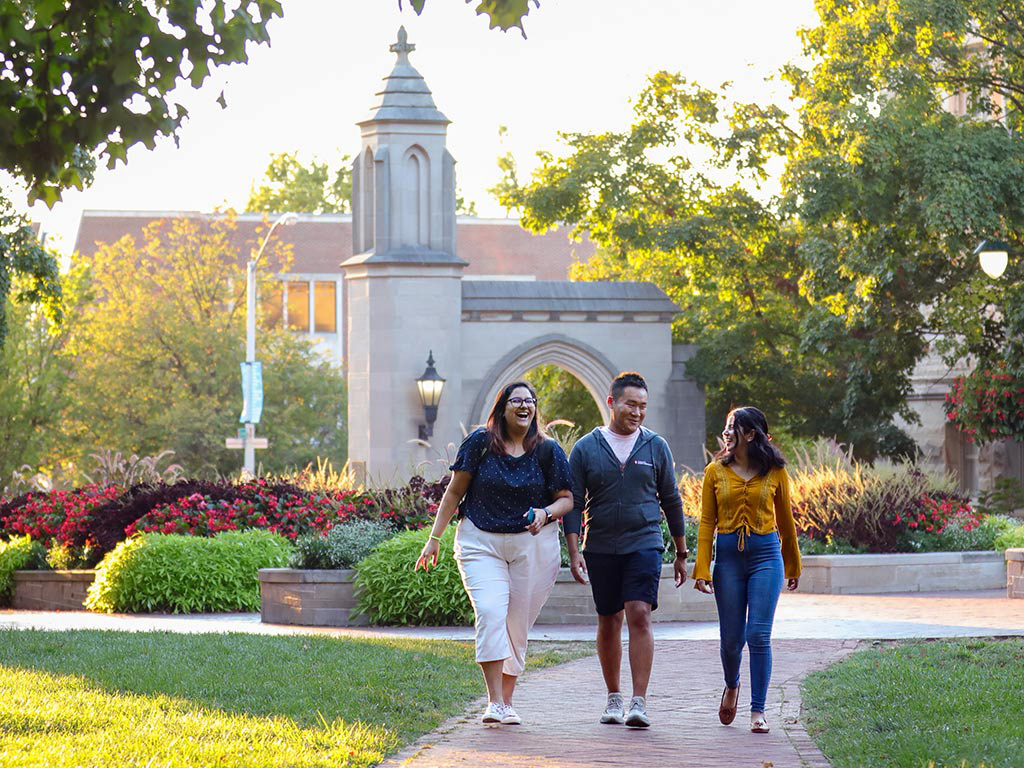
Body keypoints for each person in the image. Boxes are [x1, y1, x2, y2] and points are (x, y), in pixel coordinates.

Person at [415, 381, 573, 725]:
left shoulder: (548, 450)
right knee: (489, 611)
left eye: (530, 401)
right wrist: (435, 537)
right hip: (480, 541)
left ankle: (509, 700)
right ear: (502, 407)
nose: (524, 406)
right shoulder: (480, 443)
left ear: (535, 409)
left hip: (532, 545)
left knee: (517, 626)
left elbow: (566, 499)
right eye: (516, 400)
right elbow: (455, 492)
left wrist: (546, 513)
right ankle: (494, 702)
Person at [565, 371, 688, 729]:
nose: (637, 412)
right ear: (612, 403)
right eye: (630, 404)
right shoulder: (586, 448)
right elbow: (573, 504)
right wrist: (574, 553)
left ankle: (639, 701)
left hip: (644, 541)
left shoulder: (656, 446)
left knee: (639, 613)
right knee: (609, 619)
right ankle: (613, 697)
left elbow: (671, 500)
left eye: (642, 406)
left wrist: (681, 554)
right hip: (601, 545)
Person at [693, 406, 801, 734]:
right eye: (726, 427)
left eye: (732, 427)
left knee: (757, 634)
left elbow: (786, 522)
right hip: (727, 559)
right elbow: (707, 522)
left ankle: (758, 710)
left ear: (750, 434)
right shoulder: (715, 471)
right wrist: (702, 567)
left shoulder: (776, 472)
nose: (726, 433)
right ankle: (731, 684)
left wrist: (793, 563)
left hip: (766, 557)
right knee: (731, 640)